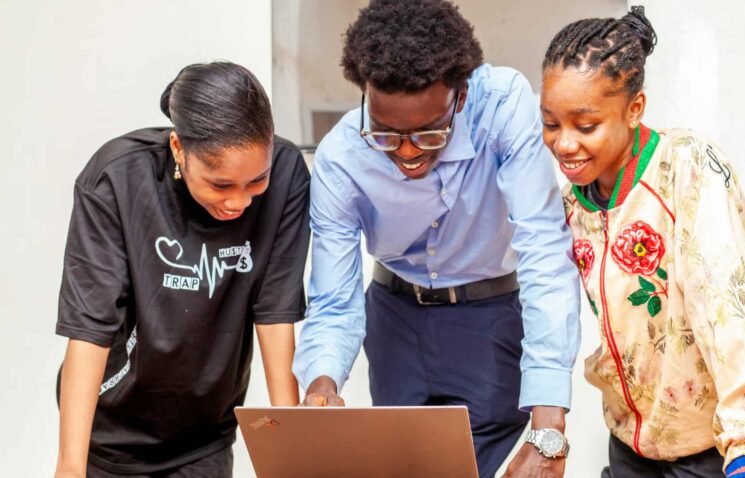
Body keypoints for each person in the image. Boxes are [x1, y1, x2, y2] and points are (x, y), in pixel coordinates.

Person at [292, 1, 581, 477]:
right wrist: (321, 383)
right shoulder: (341, 156)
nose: (407, 152)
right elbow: (334, 299)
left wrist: (549, 425)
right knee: (400, 468)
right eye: (386, 135)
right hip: (394, 321)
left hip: (489, 321)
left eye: (429, 134)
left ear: (460, 98)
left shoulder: (501, 105)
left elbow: (544, 248)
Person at [540, 6, 745, 478]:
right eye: (551, 124)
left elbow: (728, 307)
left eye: (585, 126)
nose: (565, 144)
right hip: (630, 445)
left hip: (714, 449)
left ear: (634, 110)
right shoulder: (573, 204)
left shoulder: (685, 168)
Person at [53, 61, 310, 477]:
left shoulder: (286, 174)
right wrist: (70, 467)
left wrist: (291, 457)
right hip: (112, 429)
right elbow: (90, 328)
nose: (239, 202)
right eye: (220, 184)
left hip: (204, 437)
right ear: (178, 148)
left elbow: (276, 311)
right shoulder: (117, 178)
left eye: (255, 182)